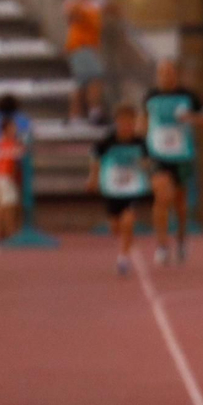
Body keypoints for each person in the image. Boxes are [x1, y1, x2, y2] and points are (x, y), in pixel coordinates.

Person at [144, 59, 203, 266]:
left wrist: (190, 118)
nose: (165, 76)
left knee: (180, 204)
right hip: (159, 155)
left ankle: (181, 239)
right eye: (161, 72)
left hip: (181, 156)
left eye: (169, 72)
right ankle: (162, 246)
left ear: (176, 74)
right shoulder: (150, 97)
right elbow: (143, 121)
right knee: (162, 197)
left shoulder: (189, 96)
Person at [87, 104, 152, 276]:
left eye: (130, 122)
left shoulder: (140, 142)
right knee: (115, 226)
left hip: (133, 187)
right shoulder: (107, 141)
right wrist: (93, 177)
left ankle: (123, 257)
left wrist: (145, 166)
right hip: (112, 187)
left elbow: (148, 161)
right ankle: (125, 242)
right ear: (117, 122)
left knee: (128, 220)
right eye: (122, 122)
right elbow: (95, 158)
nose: (126, 126)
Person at [63, 0, 113, 123]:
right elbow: (69, 16)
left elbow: (111, 8)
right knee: (95, 76)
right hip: (79, 46)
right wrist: (80, 0)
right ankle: (93, 111)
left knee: (81, 82)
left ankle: (76, 115)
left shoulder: (95, 3)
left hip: (91, 46)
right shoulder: (73, 1)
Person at [0, 113, 23, 241]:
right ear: (5, 129)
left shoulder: (3, 142)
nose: (15, 130)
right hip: (5, 177)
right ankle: (10, 232)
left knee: (2, 205)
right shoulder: (8, 142)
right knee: (9, 205)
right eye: (12, 127)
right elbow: (16, 157)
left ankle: (0, 231)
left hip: (1, 177)